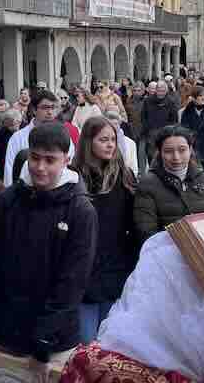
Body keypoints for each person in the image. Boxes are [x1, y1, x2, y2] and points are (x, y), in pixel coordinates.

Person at [0, 123, 97, 382]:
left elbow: (71, 284)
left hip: (54, 346)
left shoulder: (80, 210)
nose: (40, 167)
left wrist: (44, 345)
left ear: (67, 160)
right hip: (5, 336)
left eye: (50, 160)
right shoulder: (7, 201)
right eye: (35, 157)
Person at [70, 116, 138, 343]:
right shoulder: (73, 177)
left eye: (113, 140)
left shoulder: (124, 176)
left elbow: (132, 224)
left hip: (115, 269)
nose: (110, 145)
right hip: (83, 272)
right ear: (89, 142)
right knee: (87, 342)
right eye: (103, 140)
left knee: (109, 342)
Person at [133, 126, 204, 246]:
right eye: (168, 151)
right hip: (166, 254)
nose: (176, 157)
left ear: (190, 149)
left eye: (182, 150)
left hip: (203, 251)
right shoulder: (148, 184)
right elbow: (146, 231)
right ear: (160, 152)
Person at [2, 90, 75, 187]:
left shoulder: (64, 138)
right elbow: (9, 172)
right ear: (34, 110)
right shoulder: (17, 138)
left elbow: (68, 169)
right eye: (45, 108)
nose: (50, 112)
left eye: (53, 108)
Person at [139, 82, 179, 168]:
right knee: (151, 156)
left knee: (165, 156)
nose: (160, 93)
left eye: (163, 91)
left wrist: (170, 131)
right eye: (159, 90)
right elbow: (143, 116)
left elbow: (174, 119)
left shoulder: (170, 102)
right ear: (156, 90)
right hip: (151, 133)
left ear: (166, 91)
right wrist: (147, 127)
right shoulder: (148, 101)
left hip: (165, 133)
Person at [104, 111, 139, 177]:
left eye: (116, 124)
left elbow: (134, 167)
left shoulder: (130, 143)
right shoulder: (101, 142)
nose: (114, 127)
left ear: (120, 124)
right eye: (111, 124)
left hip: (126, 179)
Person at [0, 109, 23, 180]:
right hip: (5, 166)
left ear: (19, 122)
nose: (9, 127)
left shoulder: (25, 130)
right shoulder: (3, 132)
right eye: (7, 124)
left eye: (11, 124)